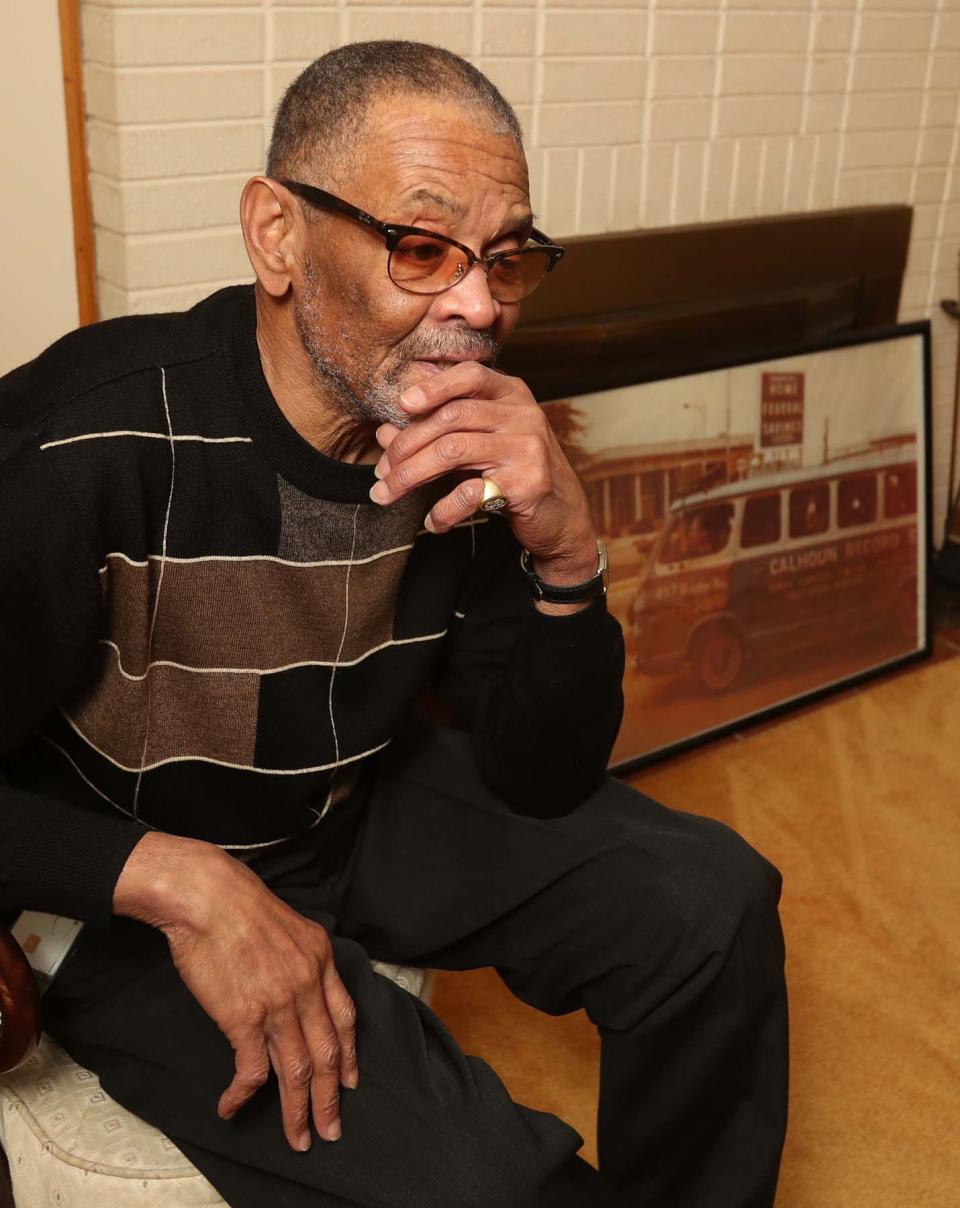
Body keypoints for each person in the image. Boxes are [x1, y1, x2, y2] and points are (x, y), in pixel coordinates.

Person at [0, 41, 787, 1208]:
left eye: (506, 256)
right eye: (422, 247)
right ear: (277, 233)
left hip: (347, 799)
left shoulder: (461, 436)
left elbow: (543, 771)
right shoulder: (80, 446)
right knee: (482, 1181)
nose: (477, 305)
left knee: (708, 904)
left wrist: (567, 553)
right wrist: (182, 884)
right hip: (127, 877)